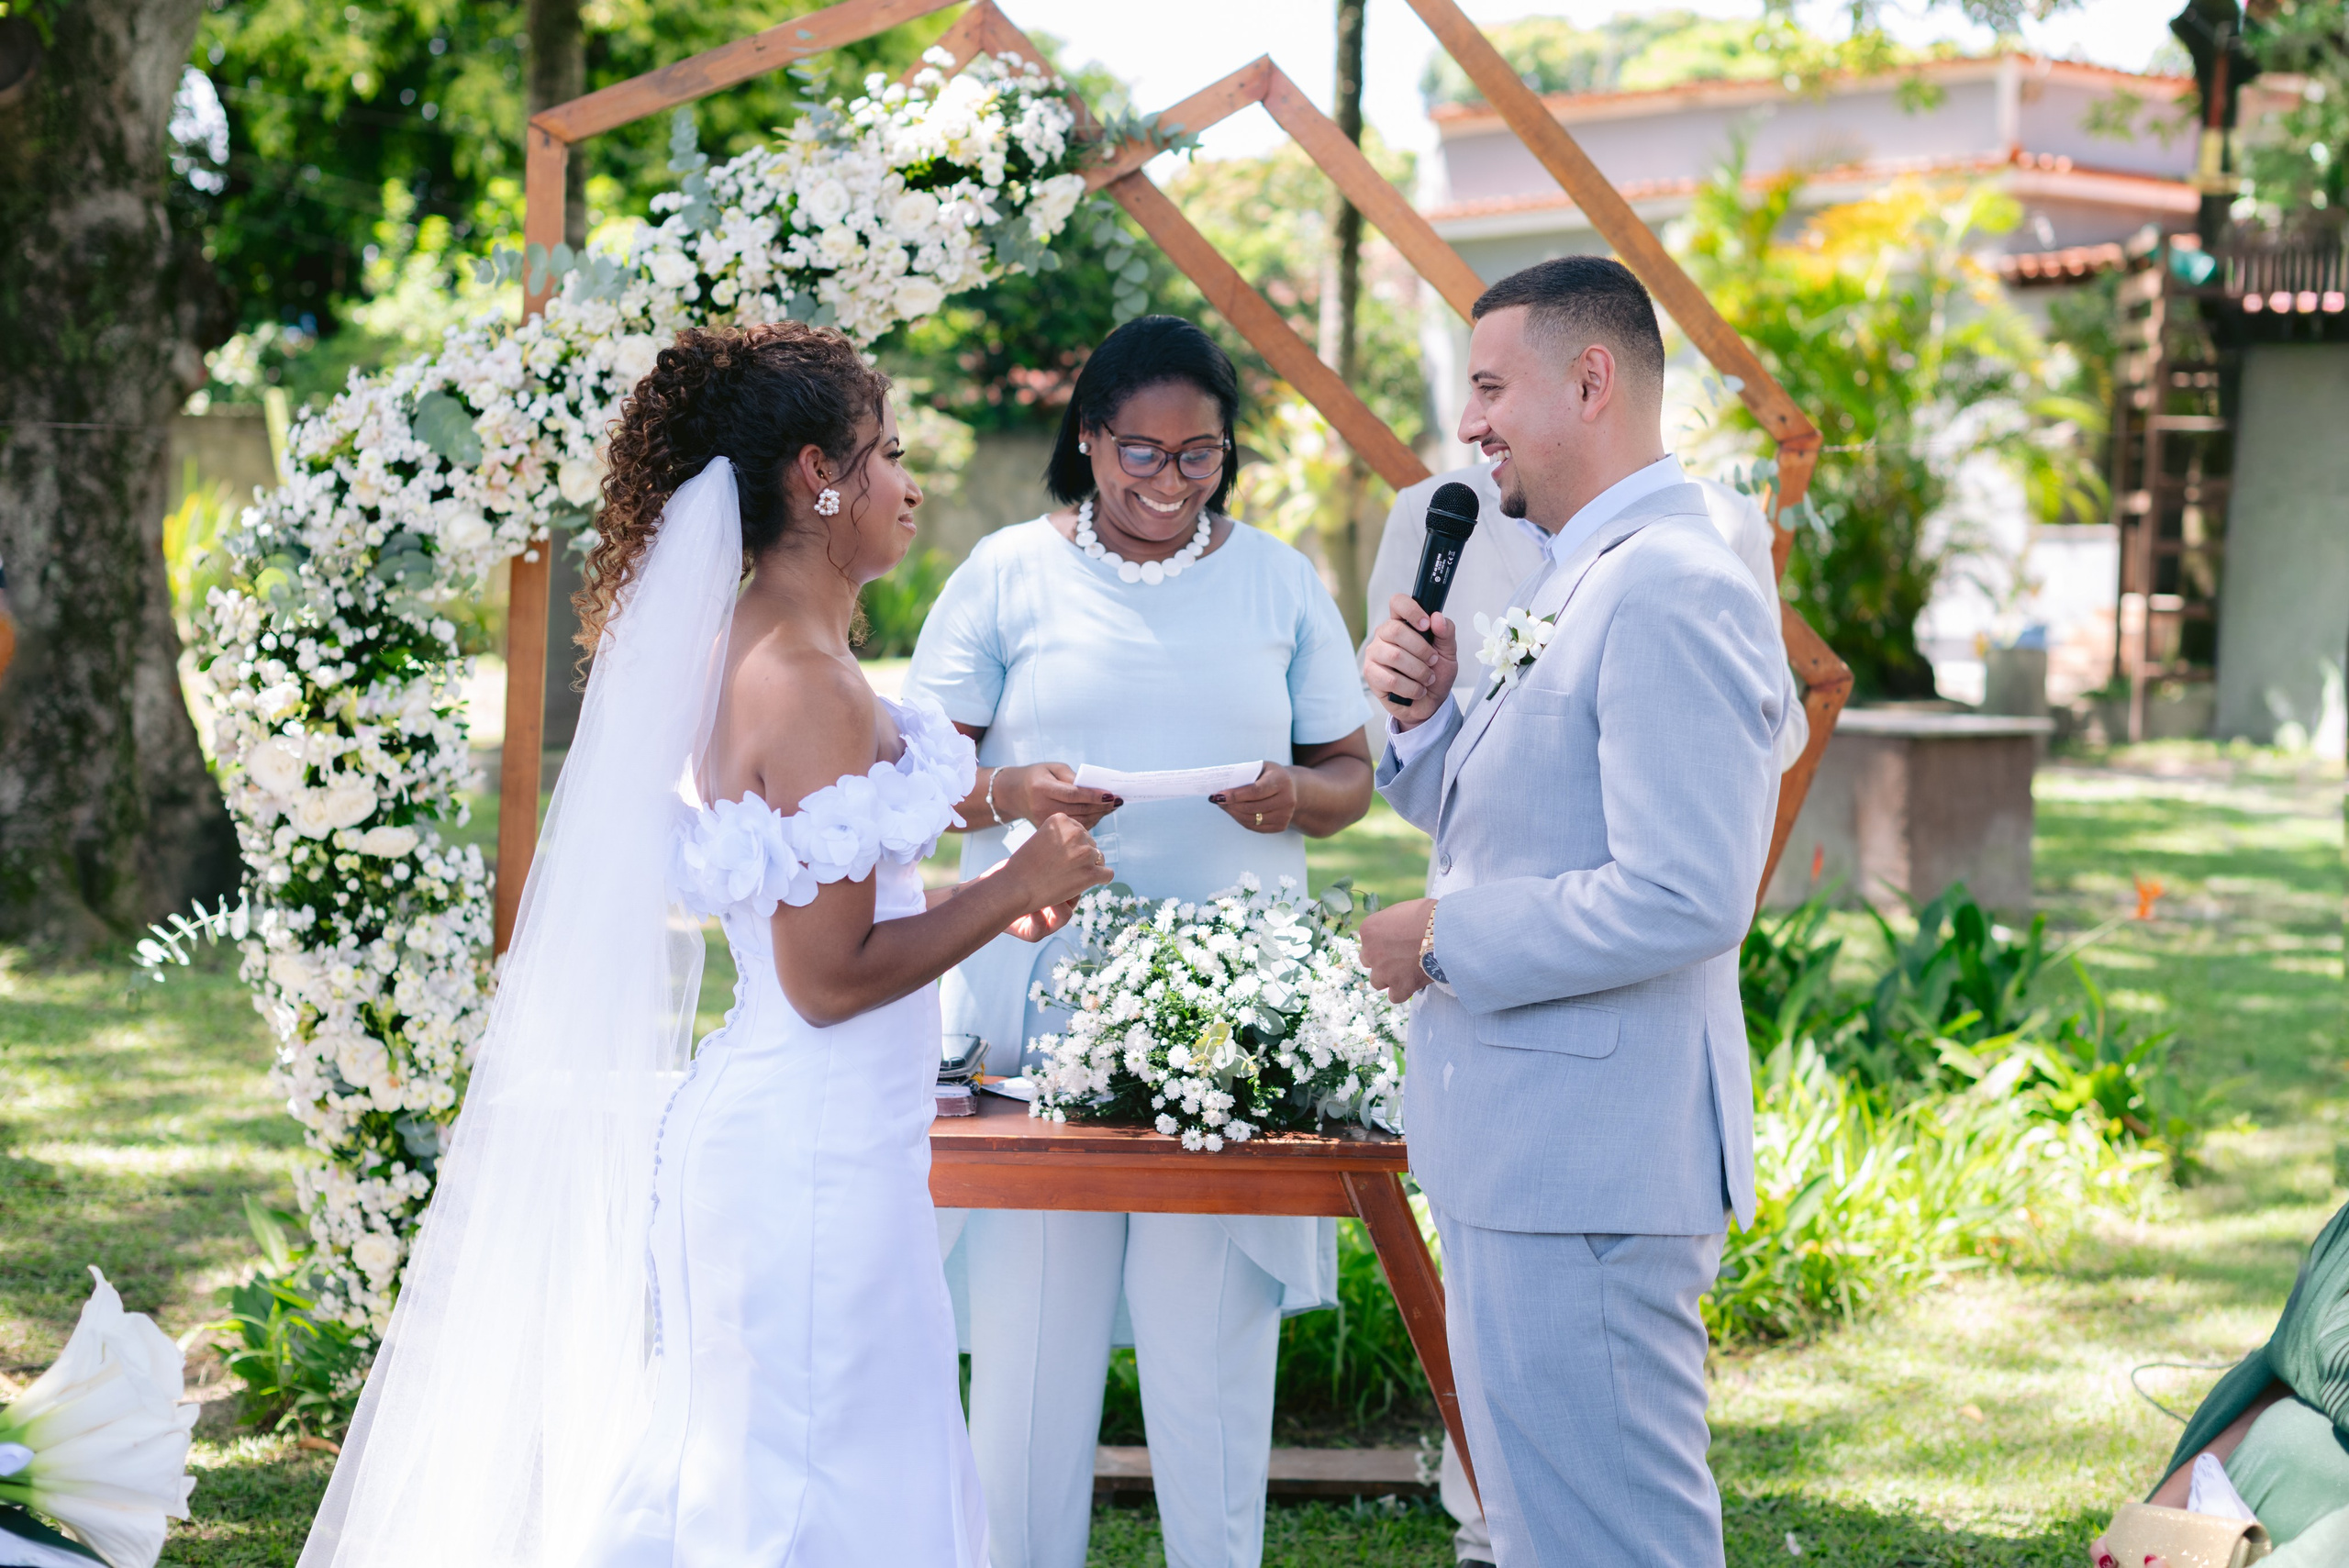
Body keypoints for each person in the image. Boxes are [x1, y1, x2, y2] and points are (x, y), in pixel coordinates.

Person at [298, 323, 1110, 1568]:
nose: (910, 482)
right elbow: (827, 975)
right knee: (808, 1498)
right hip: (811, 1156)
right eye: (886, 454)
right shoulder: (803, 674)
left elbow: (839, 824)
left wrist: (999, 802)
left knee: (798, 1473)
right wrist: (1014, 886)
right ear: (814, 477)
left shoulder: (777, 643)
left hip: (811, 1135)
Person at [903, 314, 1375, 1568]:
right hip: (1038, 1012)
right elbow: (913, 775)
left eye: (1199, 456)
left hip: (1227, 1027)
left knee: (1209, 1350)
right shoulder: (1007, 571)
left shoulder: (1277, 578)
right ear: (1090, 440)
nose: (1168, 483)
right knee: (1031, 1355)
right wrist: (1015, 797)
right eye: (1141, 454)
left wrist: (1293, 795)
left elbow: (1350, 773)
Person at [1358, 257, 1787, 1568]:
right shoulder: (1575, 573)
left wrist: (1440, 938)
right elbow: (1533, 826)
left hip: (1590, 1170)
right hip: (1532, 1154)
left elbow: (1685, 889)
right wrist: (1429, 728)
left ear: (1590, 379)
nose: (1472, 421)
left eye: (1492, 385)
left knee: (1616, 1544)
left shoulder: (1672, 584)